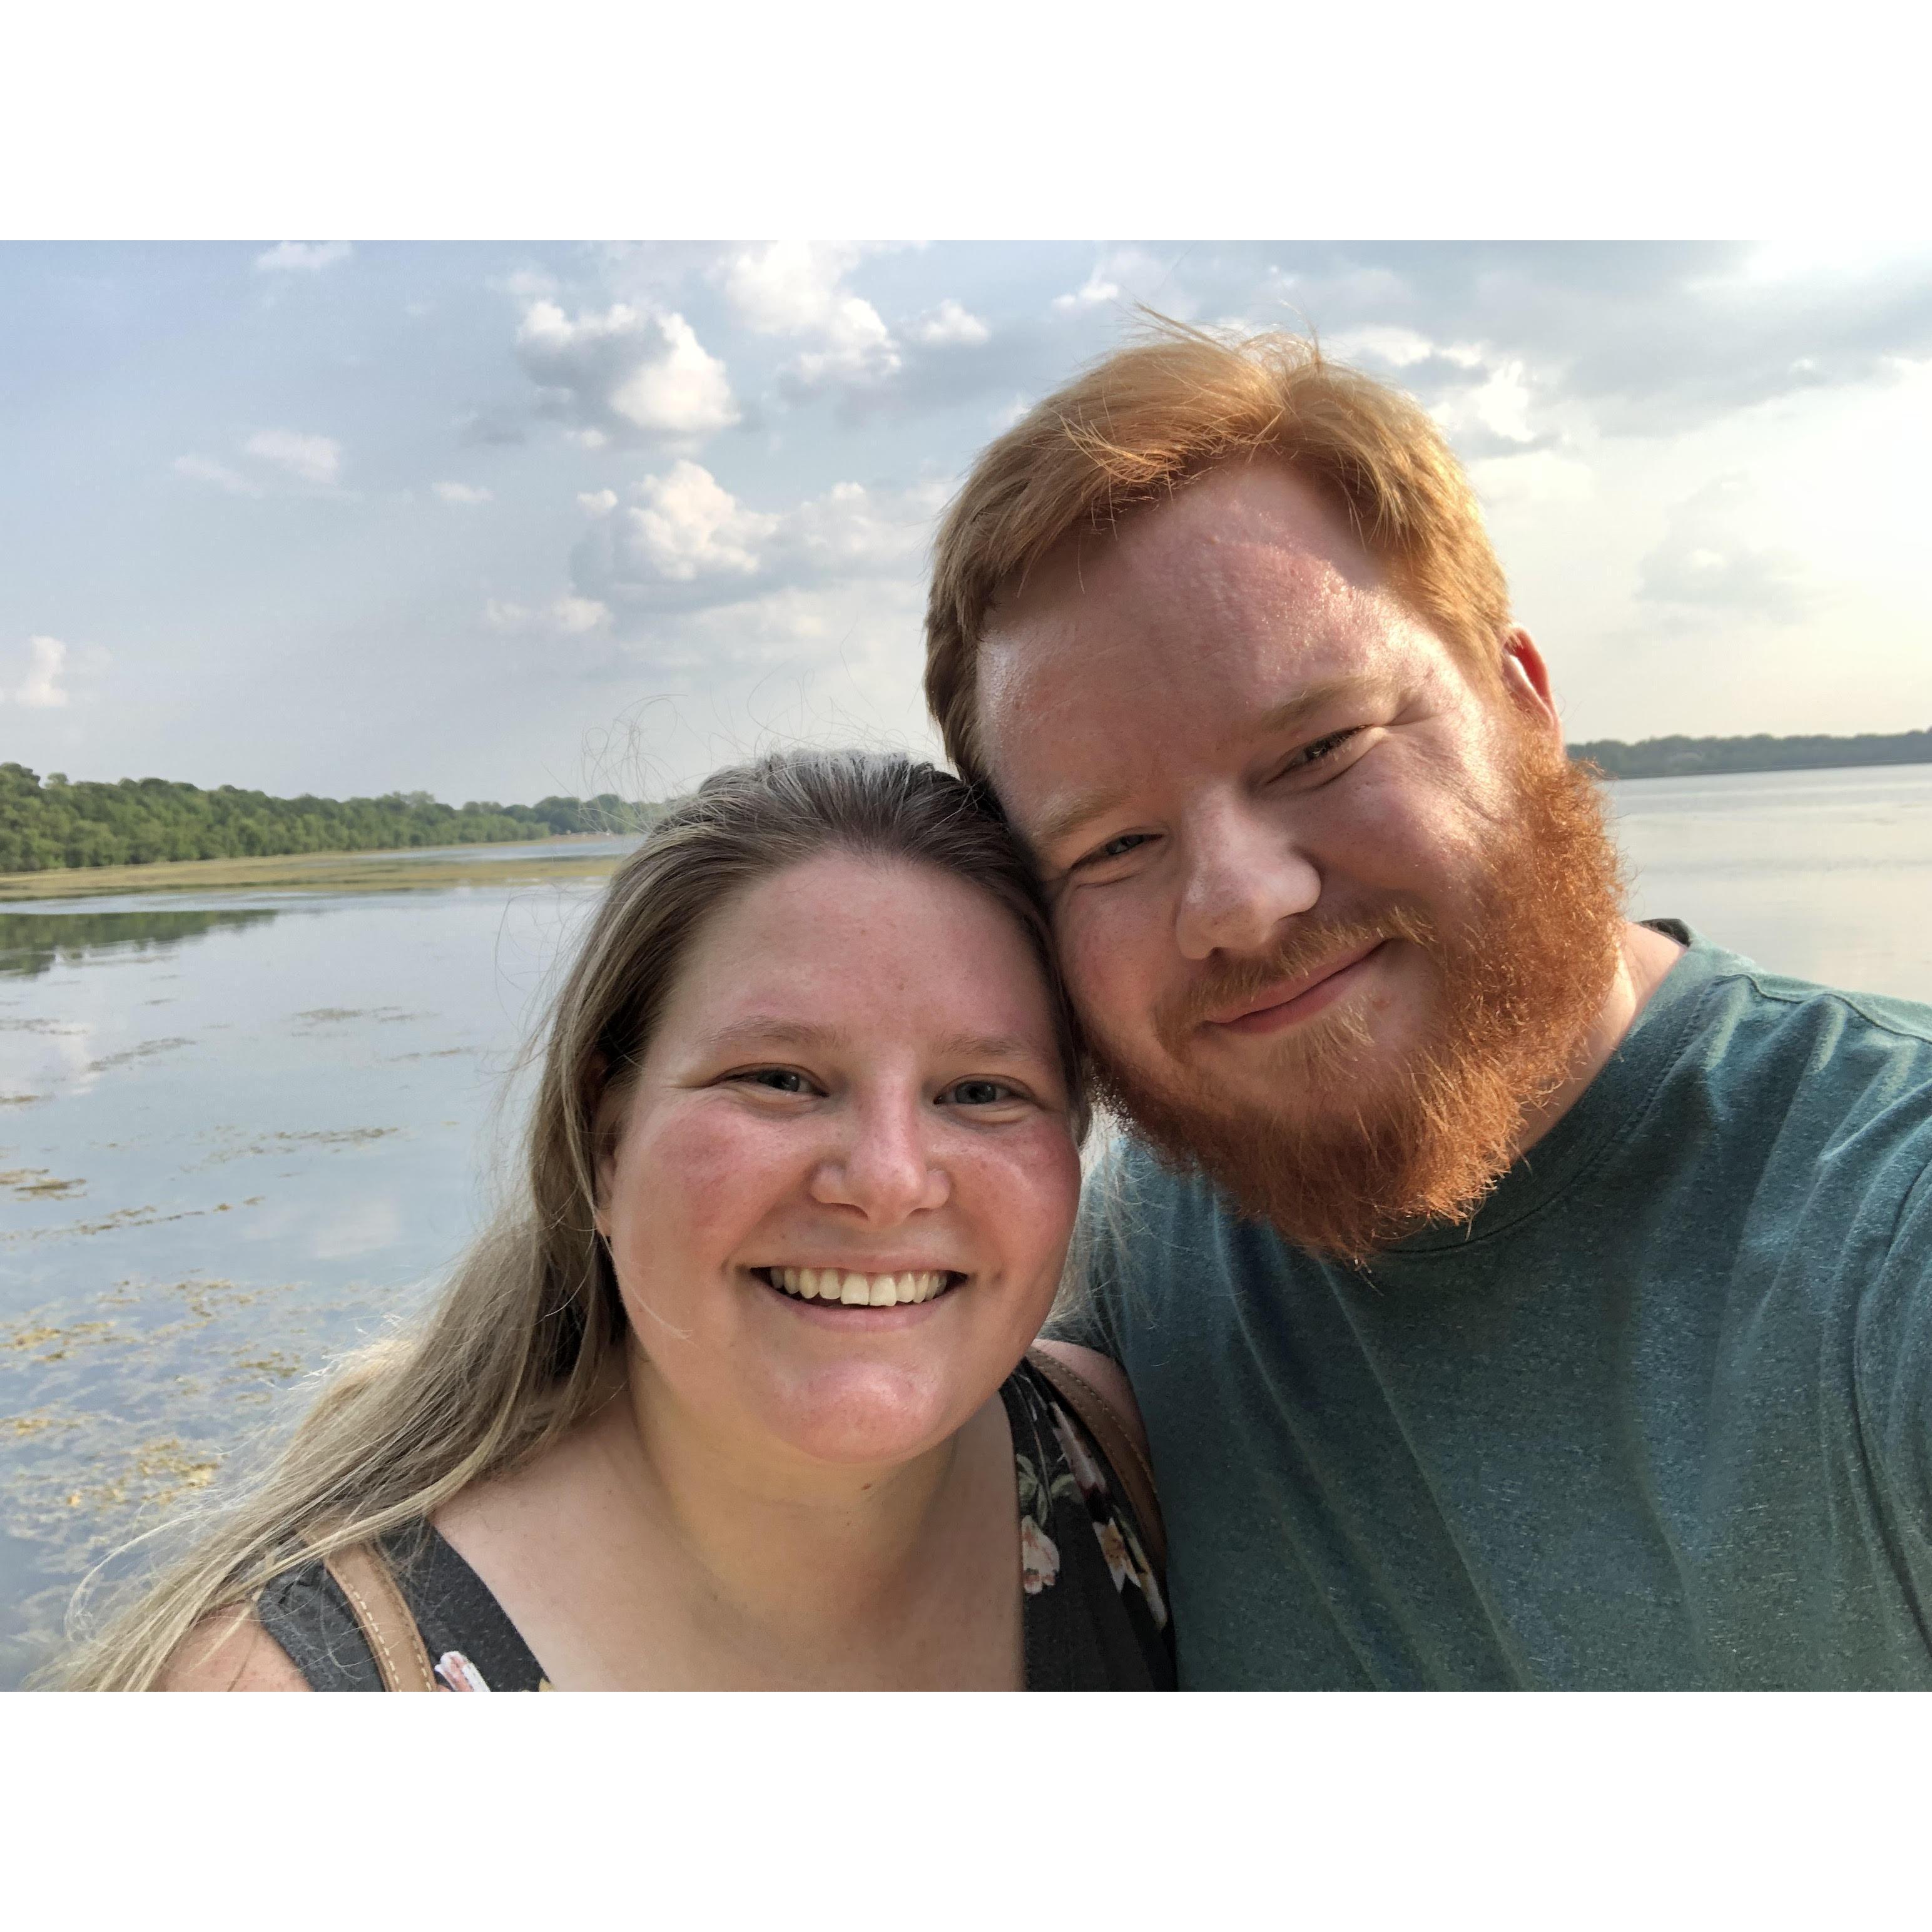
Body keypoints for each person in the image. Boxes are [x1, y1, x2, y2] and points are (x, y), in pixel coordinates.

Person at [921, 319, 1932, 1690]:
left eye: (1319, 746)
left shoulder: (1878, 1223)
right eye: (1108, 845)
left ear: (1521, 703)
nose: (1235, 900)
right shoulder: (1146, 1254)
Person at [56, 751, 1171, 1691]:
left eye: (982, 1092)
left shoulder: (1128, 1468)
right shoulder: (284, 1703)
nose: (885, 1182)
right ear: (604, 1143)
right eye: (779, 1078)